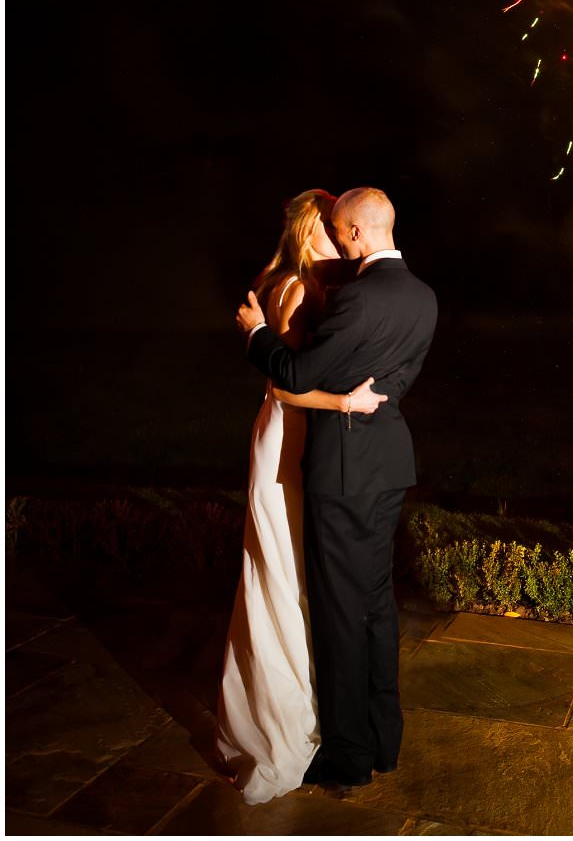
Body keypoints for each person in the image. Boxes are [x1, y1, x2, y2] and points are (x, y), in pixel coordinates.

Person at [236, 186, 438, 791]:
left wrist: (255, 335)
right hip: (389, 465)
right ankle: (384, 737)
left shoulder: (357, 301)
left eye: (341, 232)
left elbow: (294, 373)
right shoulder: (423, 297)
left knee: (339, 613)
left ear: (355, 233)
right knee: (375, 604)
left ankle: (349, 755)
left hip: (345, 471)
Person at [216, 189, 388, 805]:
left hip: (306, 444)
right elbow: (285, 387)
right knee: (284, 575)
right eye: (334, 230)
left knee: (304, 576)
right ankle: (281, 724)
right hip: (288, 440)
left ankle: (314, 704)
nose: (346, 240)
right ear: (311, 232)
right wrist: (347, 402)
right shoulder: (291, 287)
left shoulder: (322, 289)